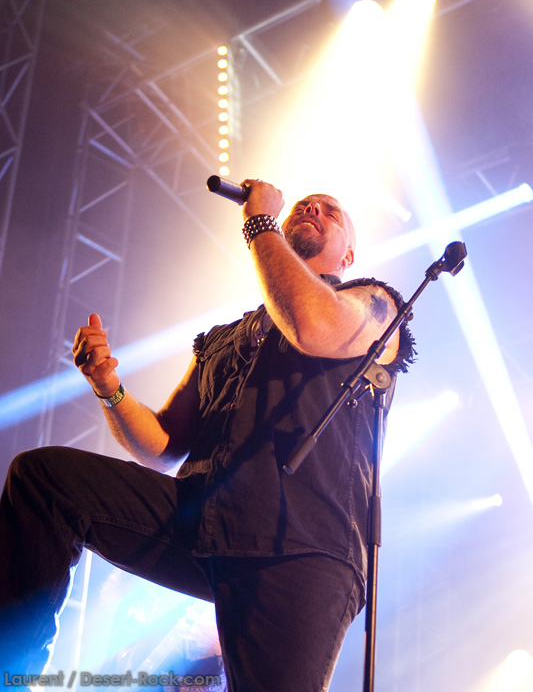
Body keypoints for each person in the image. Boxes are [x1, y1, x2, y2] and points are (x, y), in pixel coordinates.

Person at [0, 180, 415, 691]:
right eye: (305, 204)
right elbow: (164, 444)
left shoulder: (374, 305)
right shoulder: (225, 339)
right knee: (44, 480)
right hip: (203, 519)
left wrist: (259, 224)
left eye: (331, 211)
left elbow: (310, 325)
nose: (313, 207)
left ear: (349, 254)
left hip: (300, 544)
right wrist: (109, 389)